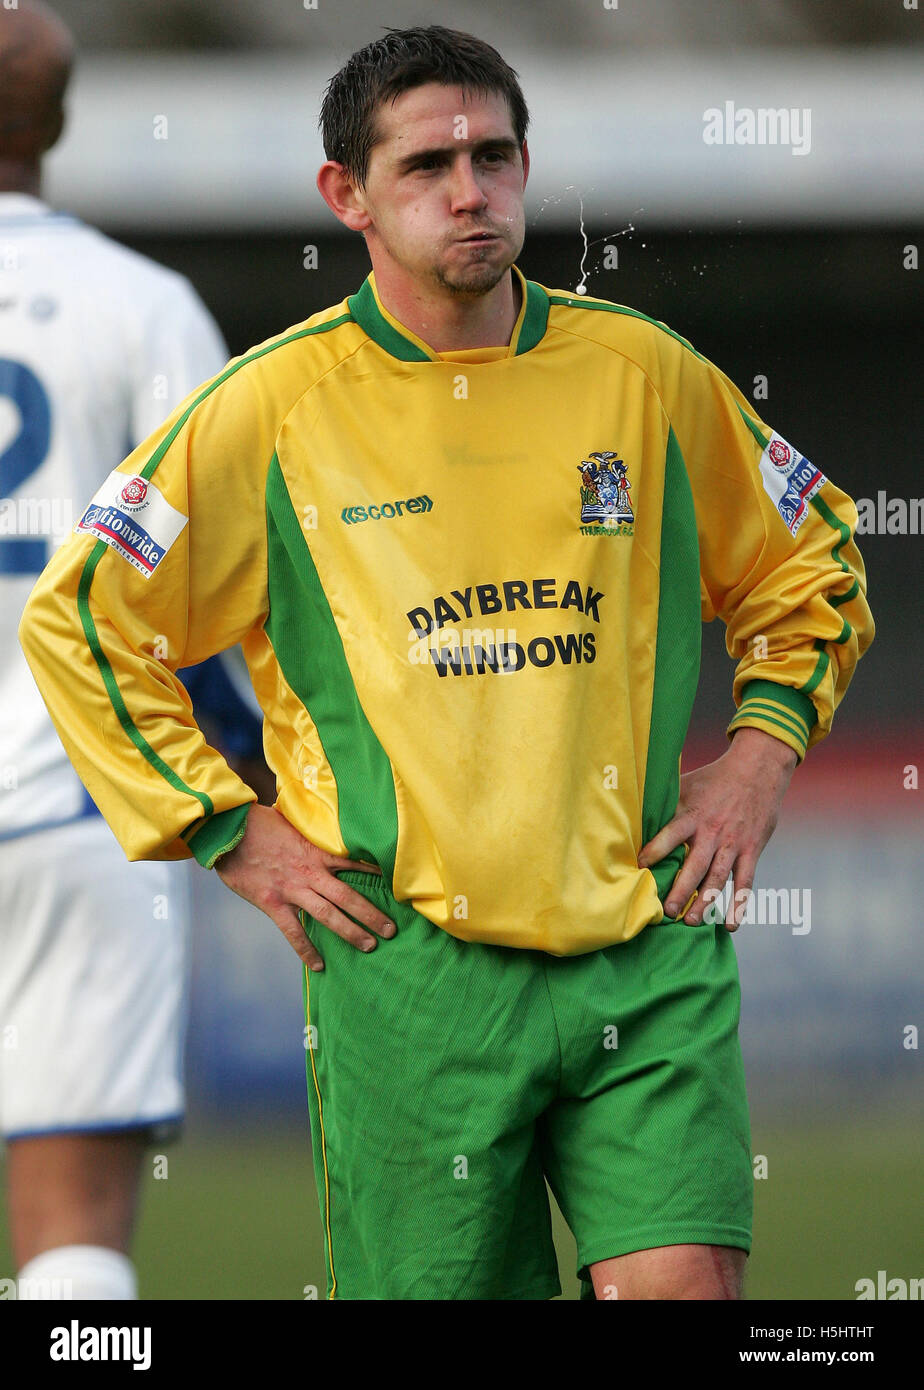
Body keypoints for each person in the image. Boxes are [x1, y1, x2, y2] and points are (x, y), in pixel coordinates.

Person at [19, 25, 874, 1301]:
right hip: (410, 975)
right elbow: (81, 618)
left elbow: (819, 563)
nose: (470, 191)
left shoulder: (642, 373)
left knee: (684, 1286)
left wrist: (756, 762)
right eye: (427, 165)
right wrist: (228, 832)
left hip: (642, 935)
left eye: (495, 155)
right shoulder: (271, 407)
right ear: (346, 196)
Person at [0, 1, 264, 1300]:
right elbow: (222, 598)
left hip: (82, 822)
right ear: (55, 123)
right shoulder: (143, 306)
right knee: (76, 1235)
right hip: (79, 815)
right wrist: (264, 788)